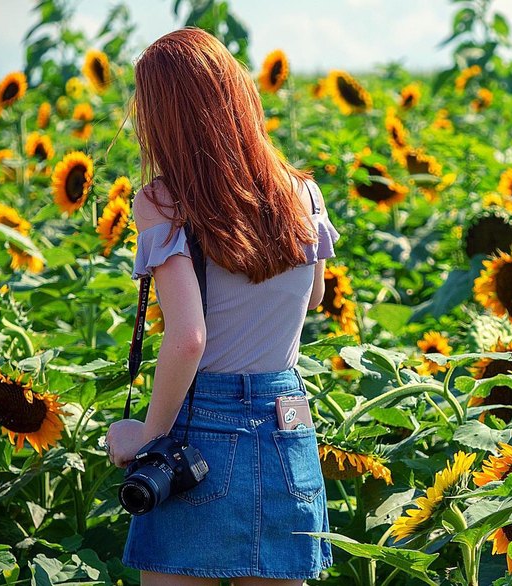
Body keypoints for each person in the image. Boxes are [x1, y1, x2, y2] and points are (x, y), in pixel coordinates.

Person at [104, 27, 338, 586]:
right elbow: (317, 297)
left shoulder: (163, 200)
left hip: (199, 431)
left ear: (161, 118)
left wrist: (148, 437)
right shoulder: (302, 192)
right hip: (288, 422)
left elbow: (188, 339)